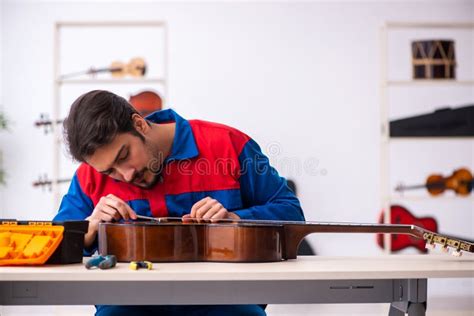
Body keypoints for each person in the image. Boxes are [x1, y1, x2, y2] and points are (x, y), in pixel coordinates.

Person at [53, 90, 305, 316]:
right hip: (126, 305)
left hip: (228, 301)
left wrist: (237, 220)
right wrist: (87, 229)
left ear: (139, 124)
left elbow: (293, 214)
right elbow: (54, 247)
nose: (126, 175)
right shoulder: (89, 177)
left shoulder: (228, 145)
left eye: (124, 155)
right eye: (111, 172)